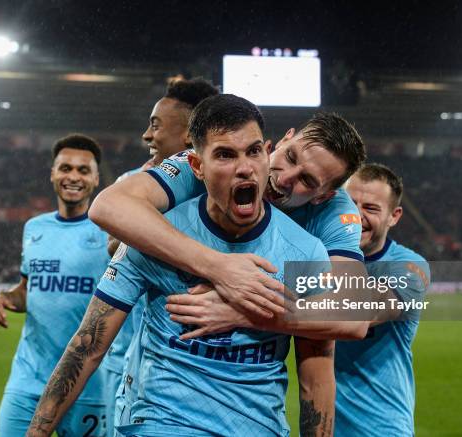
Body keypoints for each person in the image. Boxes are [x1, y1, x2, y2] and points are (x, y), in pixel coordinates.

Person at [25, 94, 338, 437]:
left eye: (253, 151)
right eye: (224, 155)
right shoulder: (155, 234)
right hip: (162, 424)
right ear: (196, 166)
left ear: (266, 152)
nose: (245, 167)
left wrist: (249, 312)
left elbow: (317, 379)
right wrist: (36, 433)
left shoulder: (307, 250)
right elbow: (88, 345)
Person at [89, 110, 369, 321]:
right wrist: (218, 267)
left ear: (323, 196)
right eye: (291, 157)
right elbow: (108, 207)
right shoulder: (211, 163)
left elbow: (352, 313)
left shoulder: (336, 211)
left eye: (307, 181)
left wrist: (245, 315)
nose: (285, 179)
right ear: (282, 141)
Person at [101, 77, 219, 437]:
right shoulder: (135, 182)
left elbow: (345, 317)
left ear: (189, 136)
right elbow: (113, 242)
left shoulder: (228, 196)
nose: (146, 136)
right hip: (130, 354)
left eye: (155, 125)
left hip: (200, 363)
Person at [0, 134, 110, 437]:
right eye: (65, 168)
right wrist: (3, 297)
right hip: (29, 378)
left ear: (96, 179)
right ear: (53, 174)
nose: (73, 176)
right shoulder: (35, 228)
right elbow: (29, 291)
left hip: (88, 383)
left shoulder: (112, 231)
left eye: (83, 170)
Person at [335, 163, 430, 436]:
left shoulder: (411, 267)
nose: (356, 215)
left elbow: (362, 313)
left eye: (371, 208)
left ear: (394, 216)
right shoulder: (322, 255)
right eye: (349, 203)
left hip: (381, 428)